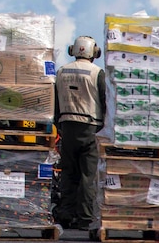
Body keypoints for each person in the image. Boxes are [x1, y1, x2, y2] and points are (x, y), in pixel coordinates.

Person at [54, 35, 107, 230]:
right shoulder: (97, 73)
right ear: (95, 52)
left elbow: (56, 103)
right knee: (88, 175)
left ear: (73, 50)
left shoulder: (61, 71)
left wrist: (59, 125)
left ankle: (66, 215)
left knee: (68, 172)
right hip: (90, 127)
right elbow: (105, 101)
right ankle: (85, 218)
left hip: (67, 126)